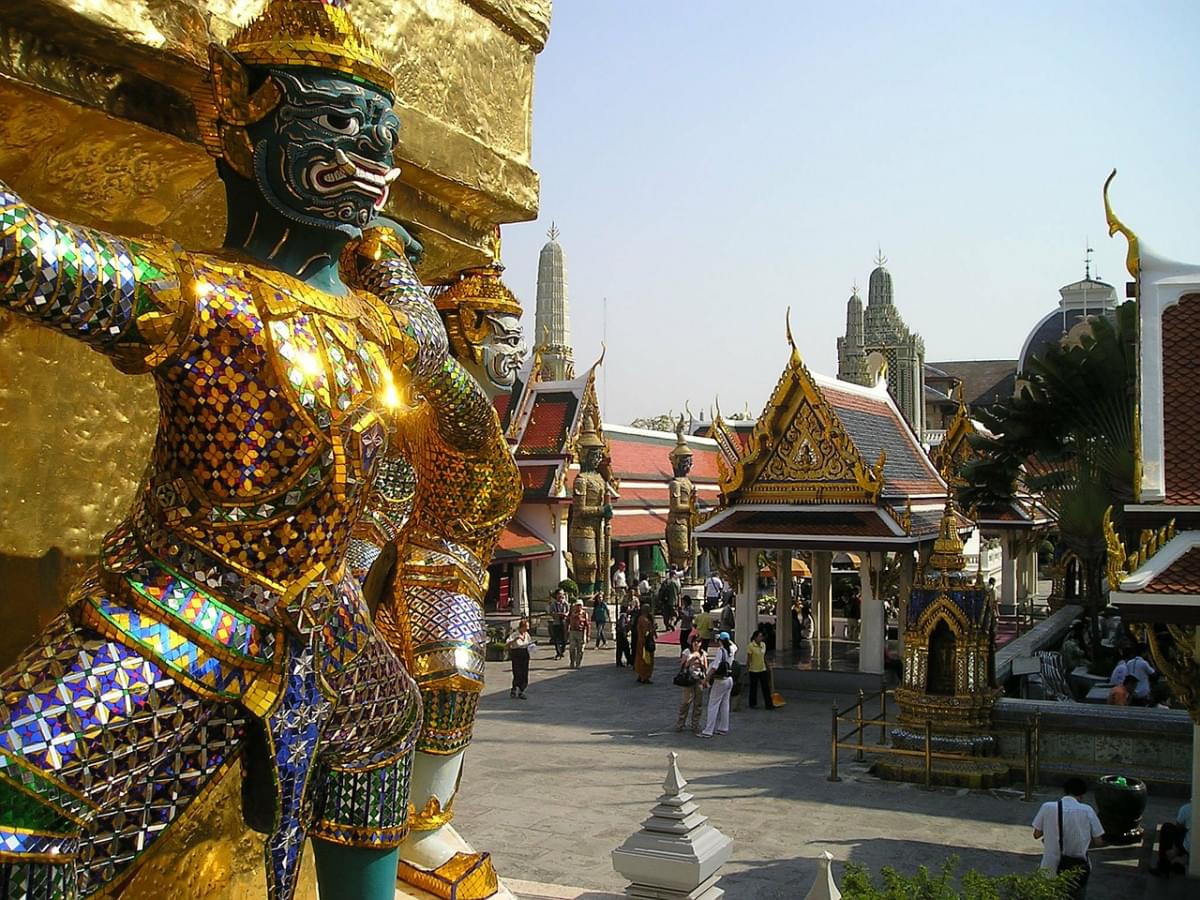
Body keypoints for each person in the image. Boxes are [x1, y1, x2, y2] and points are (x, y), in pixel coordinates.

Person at [1032, 778, 1105, 898]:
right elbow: (1098, 841)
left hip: (1050, 867)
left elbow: (1036, 834)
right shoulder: (1088, 810)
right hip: (1077, 869)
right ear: (1082, 795)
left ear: (1065, 791)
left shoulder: (1047, 807)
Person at [699, 632, 737, 738]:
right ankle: (723, 728)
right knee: (725, 704)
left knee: (713, 705)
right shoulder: (733, 648)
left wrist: (706, 679)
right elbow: (732, 643)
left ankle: (708, 730)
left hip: (720, 680)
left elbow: (714, 667)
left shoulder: (721, 651)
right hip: (729, 679)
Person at [1149, 801, 1192, 877]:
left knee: (1167, 828)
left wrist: (1177, 850)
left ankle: (1163, 868)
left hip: (1190, 847)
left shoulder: (1188, 808)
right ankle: (1179, 863)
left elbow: (1178, 827)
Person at [676, 634, 708, 733]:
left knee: (698, 703)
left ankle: (695, 724)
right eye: (695, 641)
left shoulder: (703, 653)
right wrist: (691, 660)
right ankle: (680, 723)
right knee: (686, 702)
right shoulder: (687, 652)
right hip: (688, 679)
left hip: (698, 679)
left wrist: (700, 662)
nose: (696, 644)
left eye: (698, 642)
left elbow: (706, 667)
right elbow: (683, 665)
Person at [746, 630, 775, 710]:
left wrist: (768, 665)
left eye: (761, 636)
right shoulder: (751, 646)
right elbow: (749, 658)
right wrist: (747, 667)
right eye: (759, 636)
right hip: (753, 670)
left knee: (766, 687)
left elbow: (764, 656)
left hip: (762, 669)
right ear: (755, 637)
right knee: (753, 688)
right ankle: (752, 703)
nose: (761, 638)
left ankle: (769, 704)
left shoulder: (763, 645)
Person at [506, 619, 534, 700]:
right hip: (516, 653)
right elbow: (507, 643)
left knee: (524, 672)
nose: (527, 628)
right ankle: (514, 688)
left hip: (525, 653)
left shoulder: (527, 634)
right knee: (517, 671)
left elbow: (529, 642)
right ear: (522, 627)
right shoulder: (515, 634)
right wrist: (515, 640)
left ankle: (522, 690)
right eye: (526, 627)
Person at [635, 604, 657, 684]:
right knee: (647, 660)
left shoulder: (640, 618)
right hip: (646, 642)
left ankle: (640, 675)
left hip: (640, 642)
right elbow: (646, 633)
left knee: (640, 658)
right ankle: (645, 676)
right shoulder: (644, 620)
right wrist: (653, 629)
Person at [567, 598, 589, 669]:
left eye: (580, 605)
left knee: (580, 649)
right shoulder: (571, 613)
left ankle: (578, 663)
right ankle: (572, 662)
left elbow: (587, 624)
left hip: (581, 632)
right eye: (577, 605)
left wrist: (588, 635)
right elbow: (567, 621)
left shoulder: (584, 613)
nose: (578, 607)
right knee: (572, 648)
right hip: (573, 631)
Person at [548, 589, 569, 659]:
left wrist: (565, 614)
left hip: (564, 622)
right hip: (556, 622)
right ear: (556, 595)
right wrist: (556, 614)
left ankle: (562, 651)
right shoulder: (553, 604)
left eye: (562, 594)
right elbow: (551, 612)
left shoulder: (565, 603)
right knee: (556, 638)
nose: (561, 596)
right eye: (559, 594)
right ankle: (558, 653)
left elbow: (568, 611)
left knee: (564, 638)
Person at [615, 597, 636, 667]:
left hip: (620, 633)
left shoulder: (623, 615)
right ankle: (629, 661)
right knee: (626, 647)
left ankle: (619, 661)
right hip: (622, 634)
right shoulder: (623, 616)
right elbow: (622, 625)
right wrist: (625, 630)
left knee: (620, 648)